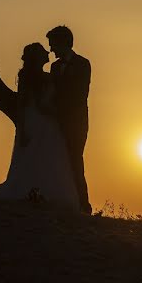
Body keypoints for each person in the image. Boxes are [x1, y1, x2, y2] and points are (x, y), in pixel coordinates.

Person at [0, 43, 79, 210]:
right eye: (44, 52)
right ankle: (32, 191)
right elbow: (24, 102)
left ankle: (43, 192)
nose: (48, 52)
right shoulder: (27, 76)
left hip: (46, 120)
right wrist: (24, 128)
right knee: (33, 155)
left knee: (48, 156)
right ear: (38, 57)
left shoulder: (48, 75)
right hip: (36, 119)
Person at [47, 25, 92, 215]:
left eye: (53, 44)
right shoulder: (54, 67)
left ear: (63, 42)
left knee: (75, 160)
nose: (51, 49)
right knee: (59, 161)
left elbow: (81, 94)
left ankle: (83, 205)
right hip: (57, 121)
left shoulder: (83, 64)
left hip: (76, 122)